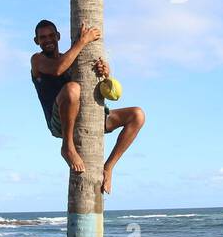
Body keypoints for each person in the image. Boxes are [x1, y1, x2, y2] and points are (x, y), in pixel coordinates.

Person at [30, 19, 145, 194]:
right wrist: (83, 41)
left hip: (87, 117)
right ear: (36, 41)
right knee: (72, 88)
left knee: (137, 115)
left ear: (58, 37)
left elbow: (89, 78)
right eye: (43, 37)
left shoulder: (72, 58)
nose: (48, 40)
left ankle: (109, 167)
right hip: (59, 121)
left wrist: (104, 72)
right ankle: (67, 146)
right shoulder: (37, 60)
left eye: (52, 35)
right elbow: (58, 69)